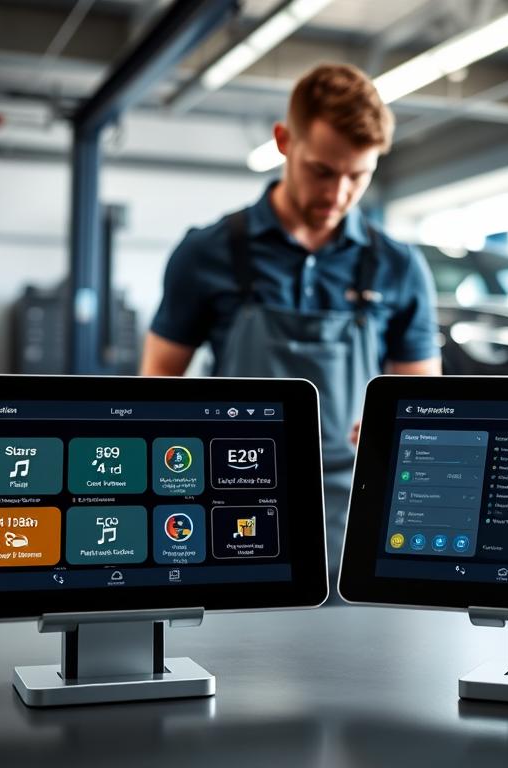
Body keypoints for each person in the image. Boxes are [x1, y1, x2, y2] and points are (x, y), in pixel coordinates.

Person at [141, 62, 441, 584]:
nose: (339, 193)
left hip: (352, 515)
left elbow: (421, 401)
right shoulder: (206, 253)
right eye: (323, 170)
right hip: (228, 505)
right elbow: (154, 391)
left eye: (358, 176)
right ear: (284, 141)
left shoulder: (398, 265)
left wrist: (400, 431)